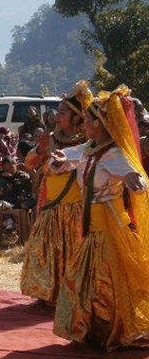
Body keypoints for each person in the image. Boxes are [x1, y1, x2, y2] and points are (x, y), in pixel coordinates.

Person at [52, 86, 149, 351]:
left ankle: (111, 329)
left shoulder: (114, 154)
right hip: (91, 226)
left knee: (106, 280)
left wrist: (134, 181)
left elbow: (137, 179)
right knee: (84, 277)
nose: (83, 123)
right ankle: (94, 328)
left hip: (110, 227)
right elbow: (69, 159)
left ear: (99, 123)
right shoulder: (90, 148)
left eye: (86, 120)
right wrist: (59, 160)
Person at [20, 81, 92, 305]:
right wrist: (40, 149)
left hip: (77, 205)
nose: (56, 116)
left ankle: (72, 293)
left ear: (77, 117)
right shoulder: (50, 138)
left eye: (62, 113)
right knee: (45, 247)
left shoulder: (87, 142)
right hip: (52, 204)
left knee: (73, 250)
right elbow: (30, 163)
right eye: (58, 112)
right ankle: (46, 292)